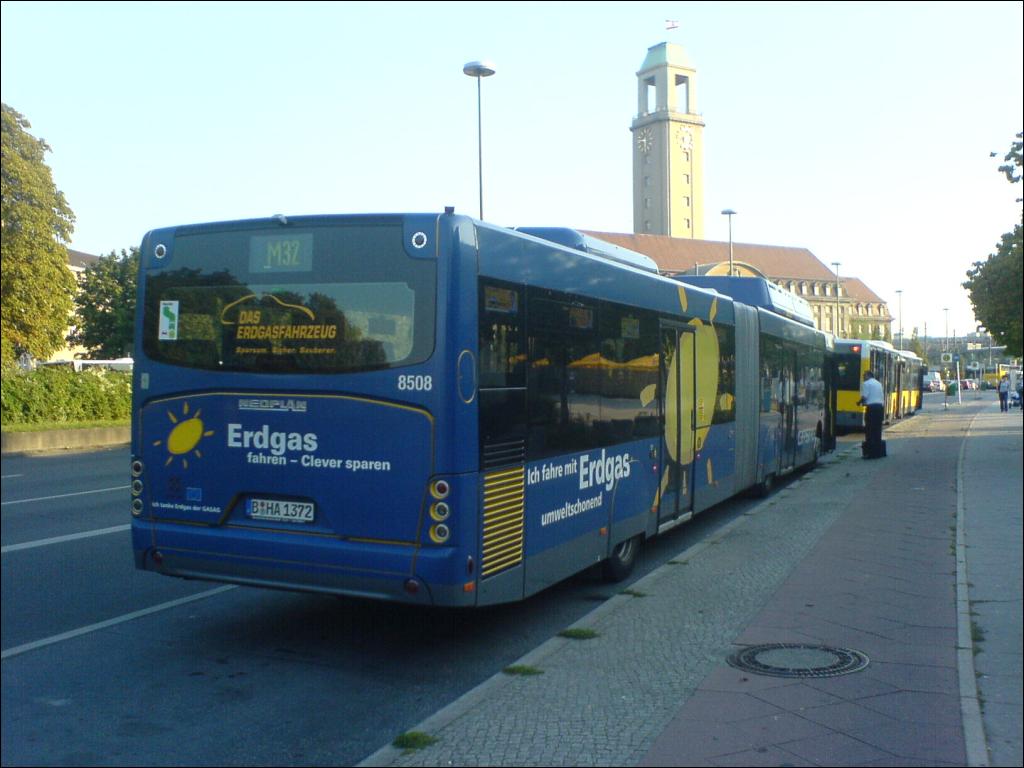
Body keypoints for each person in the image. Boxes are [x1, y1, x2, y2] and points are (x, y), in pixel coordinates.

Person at [858, 370, 885, 458]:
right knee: (877, 430)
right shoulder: (879, 383)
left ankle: (869, 453)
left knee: (869, 430)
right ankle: (878, 452)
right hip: (880, 409)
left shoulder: (866, 384)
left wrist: (859, 403)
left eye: (864, 376)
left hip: (872, 409)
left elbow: (864, 397)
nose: (863, 378)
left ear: (868, 376)